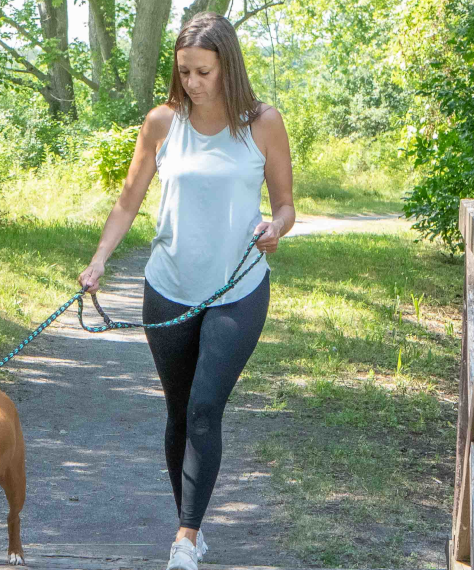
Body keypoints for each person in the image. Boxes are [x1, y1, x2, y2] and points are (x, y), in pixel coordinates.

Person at [76, 11, 295, 570]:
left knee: (203, 409)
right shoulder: (161, 123)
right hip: (168, 288)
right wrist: (99, 261)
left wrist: (275, 229)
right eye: (185, 73)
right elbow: (127, 200)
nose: (192, 83)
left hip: (238, 290)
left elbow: (287, 206)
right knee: (178, 414)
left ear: (227, 66)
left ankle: (183, 538)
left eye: (202, 72)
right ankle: (190, 528)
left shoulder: (262, 123)